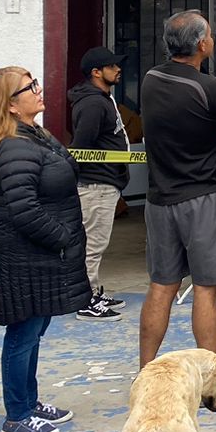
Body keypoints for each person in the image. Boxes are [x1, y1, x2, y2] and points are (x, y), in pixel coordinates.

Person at [0, 67, 91, 432]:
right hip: (20, 257)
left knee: (35, 328)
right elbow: (23, 209)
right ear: (9, 105)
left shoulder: (32, 135)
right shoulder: (13, 146)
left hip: (37, 256)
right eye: (30, 87)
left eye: (37, 82)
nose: (40, 89)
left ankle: (30, 401)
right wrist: (63, 238)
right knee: (23, 333)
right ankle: (17, 414)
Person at [138, 11, 216, 401]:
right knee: (207, 288)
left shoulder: (151, 80)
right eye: (211, 35)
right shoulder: (211, 88)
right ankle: (213, 385)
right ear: (202, 44)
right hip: (206, 197)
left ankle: (146, 376)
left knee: (161, 286)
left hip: (160, 199)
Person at [67, 46, 129, 320]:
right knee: (92, 244)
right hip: (96, 185)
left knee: (95, 243)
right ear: (96, 72)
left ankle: (90, 292)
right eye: (112, 66)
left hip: (104, 183)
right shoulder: (92, 104)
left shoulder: (101, 98)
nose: (118, 69)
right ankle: (85, 301)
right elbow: (81, 147)